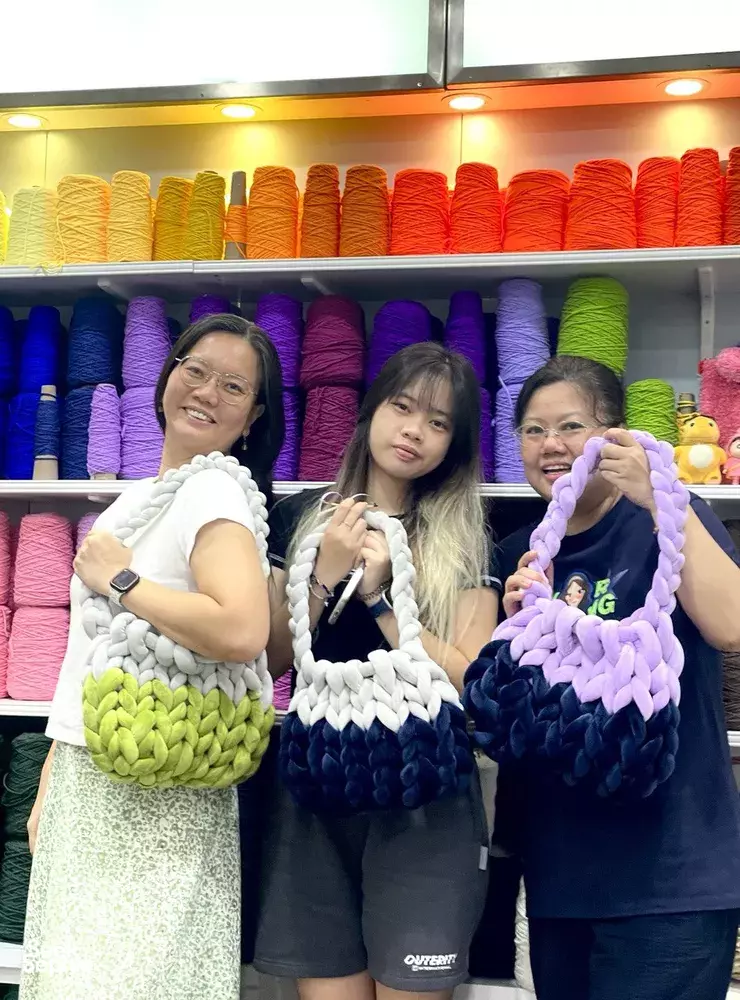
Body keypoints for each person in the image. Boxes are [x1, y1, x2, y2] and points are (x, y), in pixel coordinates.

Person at [21, 314, 284, 1000]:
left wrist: (122, 580)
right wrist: (54, 773)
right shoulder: (144, 498)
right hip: (97, 769)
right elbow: (89, 652)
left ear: (254, 415)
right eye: (195, 370)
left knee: (129, 978)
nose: (207, 391)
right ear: (168, 375)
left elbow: (242, 628)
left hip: (153, 782)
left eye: (234, 386)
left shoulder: (213, 490)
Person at [254, 341, 499, 1000]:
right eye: (403, 407)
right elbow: (269, 659)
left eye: (439, 422)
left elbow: (473, 682)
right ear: (371, 410)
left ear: (454, 445)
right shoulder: (300, 518)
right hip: (318, 783)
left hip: (425, 790)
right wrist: (324, 575)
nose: (415, 430)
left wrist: (381, 597)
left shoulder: (466, 537)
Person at [494, 355, 740, 1000]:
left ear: (615, 435)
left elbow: (733, 626)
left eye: (571, 426)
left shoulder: (668, 519)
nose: (550, 445)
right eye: (533, 430)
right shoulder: (521, 555)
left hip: (671, 879)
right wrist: (515, 627)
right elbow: (511, 714)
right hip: (561, 879)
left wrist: (660, 498)